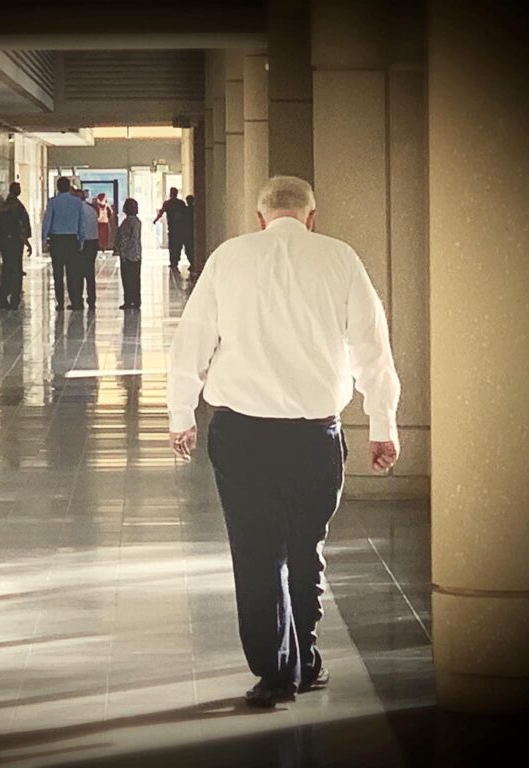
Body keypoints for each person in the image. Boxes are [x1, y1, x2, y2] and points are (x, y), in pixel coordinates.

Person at [166, 175, 400, 709]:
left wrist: (181, 414)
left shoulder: (229, 257)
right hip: (314, 435)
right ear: (311, 216)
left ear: (260, 218)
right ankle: (308, 658)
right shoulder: (340, 258)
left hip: (241, 433)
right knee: (304, 548)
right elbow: (372, 349)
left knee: (255, 554)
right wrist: (382, 426)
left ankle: (276, 673)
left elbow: (192, 340)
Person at [41, 176, 86, 310]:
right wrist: (81, 239)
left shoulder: (53, 202)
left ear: (58, 187)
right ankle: (75, 301)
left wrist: (44, 238)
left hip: (57, 240)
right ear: (69, 187)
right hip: (72, 240)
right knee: (72, 272)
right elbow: (81, 222)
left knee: (58, 273)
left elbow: (47, 221)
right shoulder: (77, 202)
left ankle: (60, 302)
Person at [0, 181, 32, 310]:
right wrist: (26, 241)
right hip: (14, 242)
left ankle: (3, 298)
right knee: (16, 270)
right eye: (18, 188)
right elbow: (21, 225)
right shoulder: (16, 206)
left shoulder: (5, 206)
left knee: (7, 269)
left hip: (5, 241)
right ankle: (14, 299)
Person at [74, 188, 100, 309]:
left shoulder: (77, 210)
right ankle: (91, 300)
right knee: (90, 273)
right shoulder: (91, 210)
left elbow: (80, 229)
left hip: (82, 243)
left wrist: (79, 244)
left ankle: (78, 300)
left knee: (78, 273)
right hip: (93, 242)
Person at [114, 197, 142, 309]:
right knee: (135, 278)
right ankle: (135, 300)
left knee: (128, 278)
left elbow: (128, 239)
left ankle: (129, 300)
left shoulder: (129, 222)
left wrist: (123, 252)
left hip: (129, 255)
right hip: (135, 254)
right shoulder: (136, 221)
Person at [153, 187, 188, 269]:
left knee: (173, 245)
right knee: (178, 245)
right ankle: (175, 260)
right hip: (180, 228)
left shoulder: (168, 203)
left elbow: (161, 212)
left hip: (173, 228)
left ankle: (173, 261)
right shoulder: (181, 203)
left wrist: (155, 220)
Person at [183, 194, 196, 266]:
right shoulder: (195, 210)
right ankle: (193, 263)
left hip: (187, 232)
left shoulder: (185, 210)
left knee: (188, 249)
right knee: (191, 248)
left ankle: (192, 263)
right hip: (191, 231)